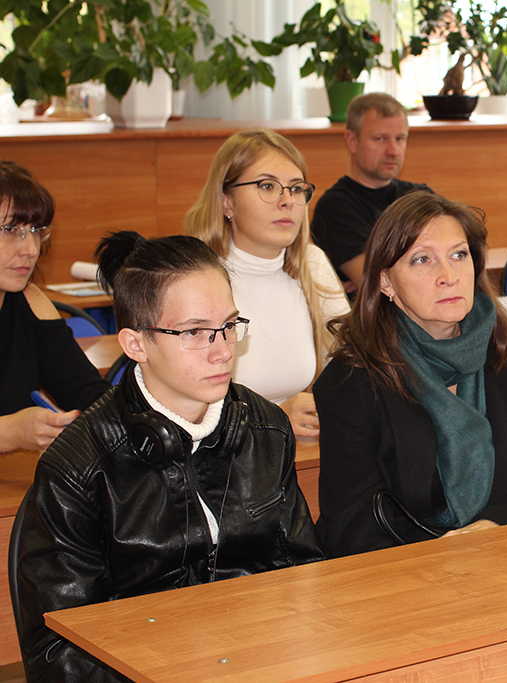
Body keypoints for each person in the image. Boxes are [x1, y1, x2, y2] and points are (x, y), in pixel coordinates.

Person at [14, 231, 324, 683]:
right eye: (194, 332)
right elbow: (57, 650)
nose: (223, 350)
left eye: (229, 325)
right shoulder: (79, 467)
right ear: (136, 344)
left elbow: (302, 573)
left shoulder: (266, 430)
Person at [313, 191, 507, 558]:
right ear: (385, 282)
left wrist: (493, 527)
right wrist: (446, 558)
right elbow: (353, 527)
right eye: (422, 260)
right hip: (405, 573)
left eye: (459, 255)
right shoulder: (350, 382)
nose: (448, 276)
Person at [185, 128, 350, 439]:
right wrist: (273, 419)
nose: (287, 201)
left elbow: (351, 365)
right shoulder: (192, 277)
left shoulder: (311, 263)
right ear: (227, 202)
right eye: (267, 186)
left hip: (297, 447)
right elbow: (180, 409)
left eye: (296, 189)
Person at [0, 160, 109, 452]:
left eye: (35, 230)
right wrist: (8, 432)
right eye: (10, 229)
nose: (31, 248)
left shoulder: (31, 301)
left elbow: (88, 395)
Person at [311, 92, 433, 288]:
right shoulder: (334, 207)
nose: (393, 151)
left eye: (400, 138)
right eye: (380, 139)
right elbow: (377, 283)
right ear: (352, 141)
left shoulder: (421, 196)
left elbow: (459, 257)